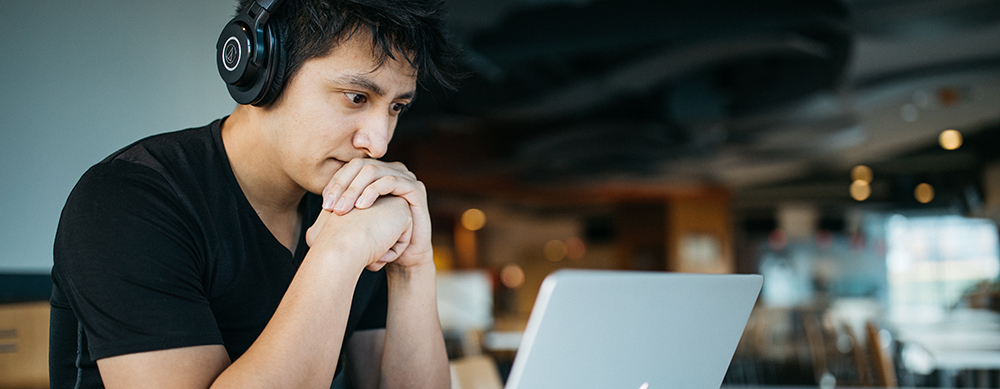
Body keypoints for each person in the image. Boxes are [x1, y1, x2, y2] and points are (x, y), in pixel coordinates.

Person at [49, 0, 462, 388]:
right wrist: (339, 252)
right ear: (264, 71)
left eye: (396, 108)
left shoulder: (355, 203)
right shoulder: (129, 200)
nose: (378, 144)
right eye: (357, 97)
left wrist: (412, 266)